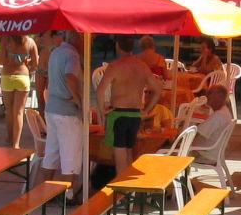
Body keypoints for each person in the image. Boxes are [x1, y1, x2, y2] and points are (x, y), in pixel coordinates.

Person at [99, 36, 162, 175]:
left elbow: (100, 90)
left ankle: (122, 194)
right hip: (135, 115)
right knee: (129, 156)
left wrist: (102, 110)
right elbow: (158, 90)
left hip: (118, 115)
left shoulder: (115, 66)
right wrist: (146, 110)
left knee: (121, 159)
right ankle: (129, 193)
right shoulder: (142, 66)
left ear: (117, 46)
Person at [41, 29, 86, 199]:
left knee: (51, 152)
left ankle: (45, 192)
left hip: (52, 108)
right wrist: (77, 99)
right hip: (66, 111)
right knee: (71, 155)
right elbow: (70, 76)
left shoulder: (56, 52)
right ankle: (69, 195)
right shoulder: (72, 54)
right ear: (76, 39)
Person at [0, 31, 38, 148]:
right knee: (18, 112)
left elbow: (3, 61)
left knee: (9, 111)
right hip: (23, 77)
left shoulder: (6, 40)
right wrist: (28, 66)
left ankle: (9, 138)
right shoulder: (30, 42)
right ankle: (16, 143)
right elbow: (35, 63)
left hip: (7, 77)